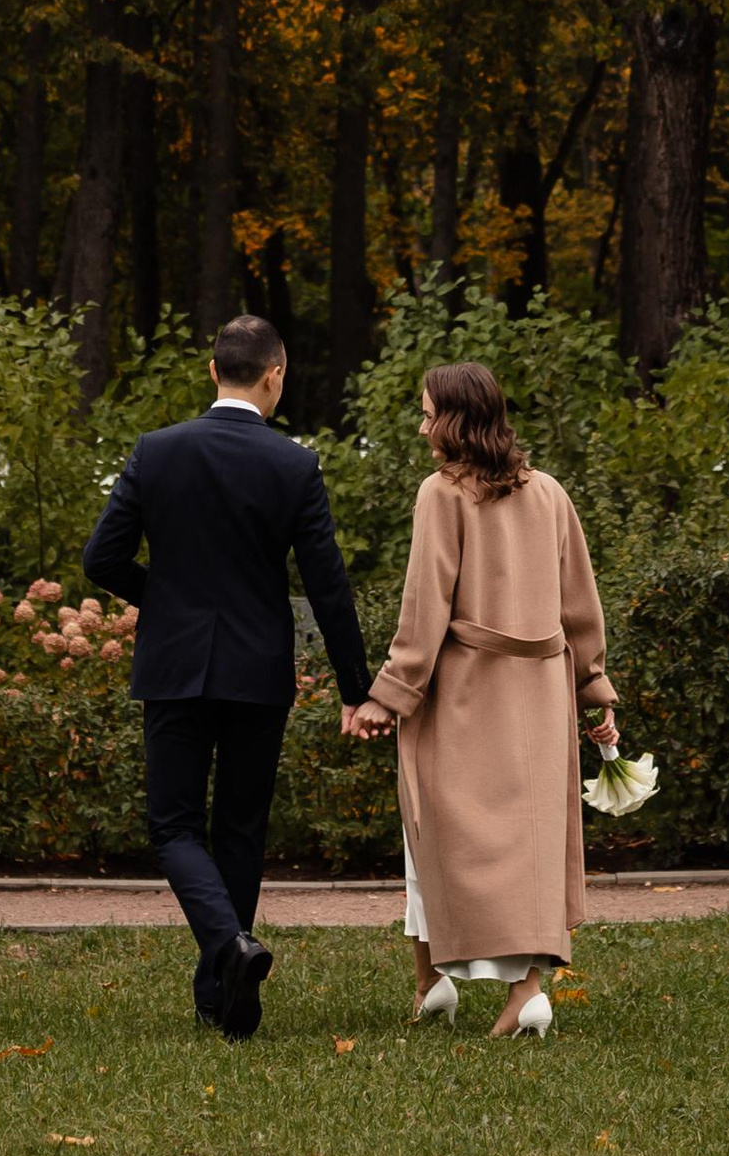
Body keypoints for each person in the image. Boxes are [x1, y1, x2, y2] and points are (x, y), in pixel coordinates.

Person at [84, 313, 375, 1039]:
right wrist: (355, 687)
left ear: (214, 371)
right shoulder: (294, 466)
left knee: (174, 824)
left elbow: (101, 560)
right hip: (257, 670)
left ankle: (227, 961)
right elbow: (328, 586)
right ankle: (225, 988)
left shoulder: (156, 451)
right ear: (274, 375)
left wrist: (166, 600)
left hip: (174, 665)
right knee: (240, 830)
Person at [342, 360, 619, 1038]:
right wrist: (592, 688)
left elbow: (425, 604)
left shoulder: (441, 494)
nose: (422, 427)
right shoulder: (549, 491)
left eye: (427, 414)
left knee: (432, 829)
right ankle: (515, 990)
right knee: (530, 845)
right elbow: (581, 604)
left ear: (456, 421)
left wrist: (390, 694)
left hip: (464, 695)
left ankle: (443, 982)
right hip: (541, 695)